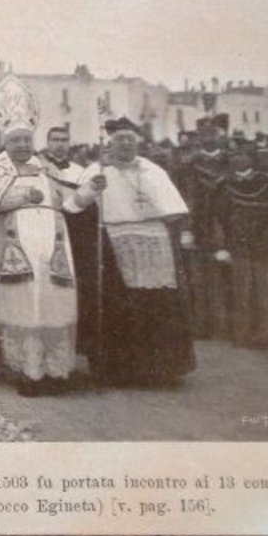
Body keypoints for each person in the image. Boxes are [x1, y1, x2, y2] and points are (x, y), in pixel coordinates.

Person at [0, 123, 100, 393]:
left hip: (54, 246)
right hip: (15, 247)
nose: (22, 144)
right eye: (16, 140)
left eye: (26, 139)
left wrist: (89, 191)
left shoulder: (48, 168)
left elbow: (69, 204)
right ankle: (27, 371)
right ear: (5, 144)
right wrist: (21, 197)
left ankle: (57, 371)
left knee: (56, 302)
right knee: (23, 303)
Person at [74, 117, 196, 386]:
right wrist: (93, 187)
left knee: (158, 304)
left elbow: (174, 209)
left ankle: (162, 369)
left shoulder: (153, 170)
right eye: (120, 139)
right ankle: (120, 370)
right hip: (116, 241)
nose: (126, 144)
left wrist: (184, 233)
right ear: (110, 142)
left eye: (131, 139)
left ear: (138, 142)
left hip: (155, 239)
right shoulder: (97, 169)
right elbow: (75, 205)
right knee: (122, 304)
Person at [213, 141, 268, 348]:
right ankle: (241, 337)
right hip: (236, 245)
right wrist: (221, 246)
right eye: (233, 155)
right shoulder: (223, 184)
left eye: (243, 154)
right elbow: (217, 218)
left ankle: (263, 337)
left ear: (252, 158)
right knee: (241, 292)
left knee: (265, 293)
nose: (238, 158)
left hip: (265, 244)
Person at [39, 125, 100, 361]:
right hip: (46, 231)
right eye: (55, 139)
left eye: (64, 139)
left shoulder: (80, 171)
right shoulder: (38, 169)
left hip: (75, 235)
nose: (60, 144)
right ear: (47, 141)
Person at [177, 116, 230, 339]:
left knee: (222, 280)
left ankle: (222, 327)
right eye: (204, 133)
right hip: (196, 226)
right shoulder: (188, 165)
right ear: (199, 136)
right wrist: (185, 229)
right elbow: (181, 197)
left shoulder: (229, 161)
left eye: (213, 133)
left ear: (219, 135)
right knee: (197, 279)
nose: (209, 137)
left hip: (225, 227)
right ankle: (200, 325)